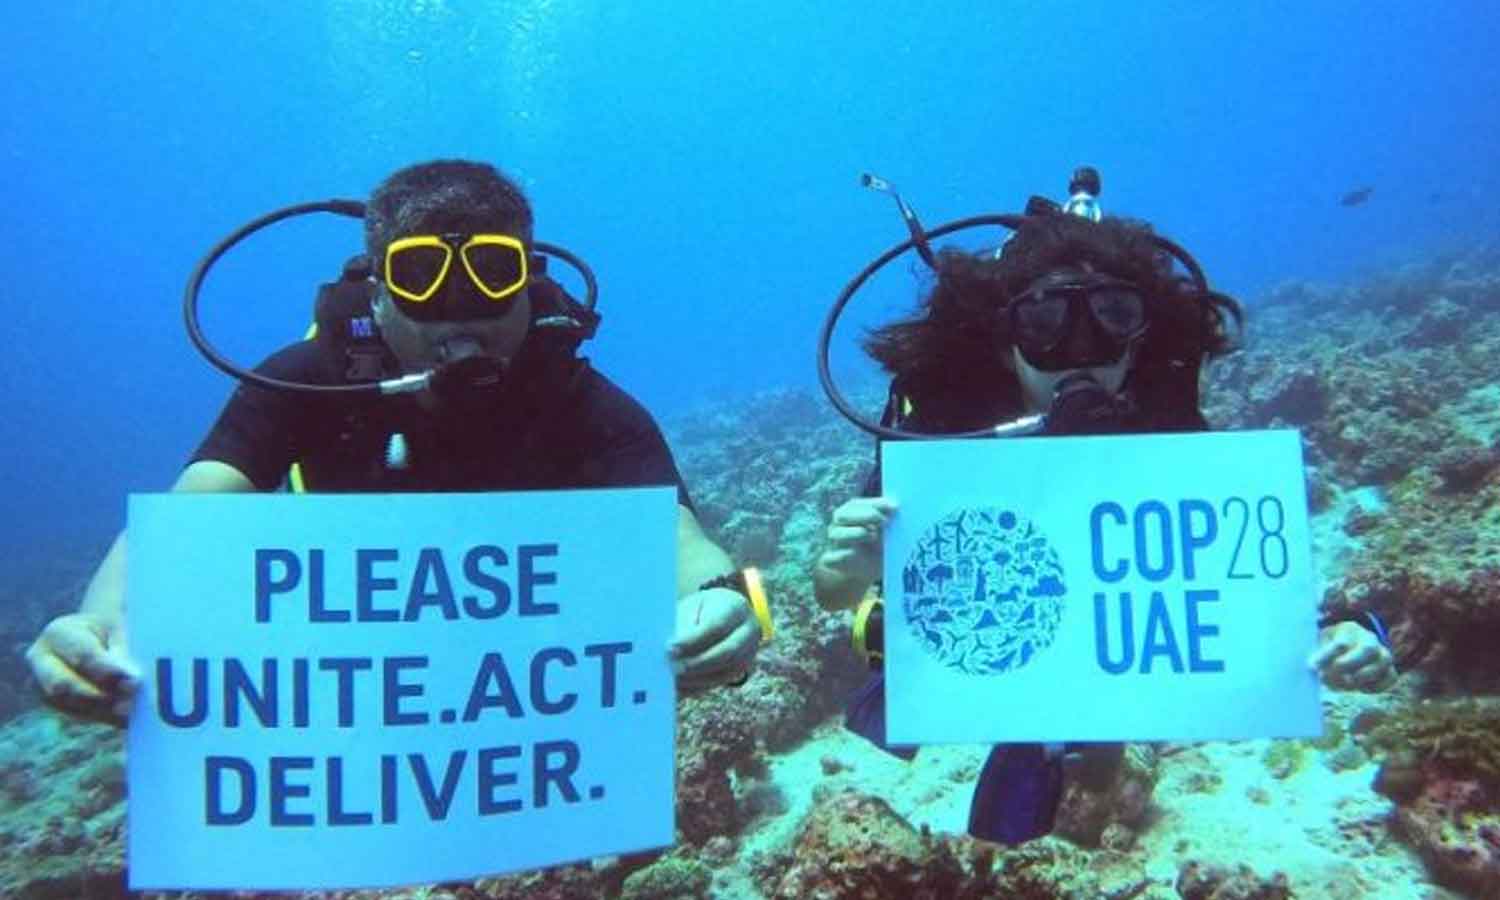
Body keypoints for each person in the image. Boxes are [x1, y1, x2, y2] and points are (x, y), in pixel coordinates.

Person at [27, 159, 764, 723]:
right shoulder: (306, 380)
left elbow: (677, 538)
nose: (458, 307)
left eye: (492, 271)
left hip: (518, 694)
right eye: (419, 275)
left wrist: (717, 604)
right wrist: (101, 618)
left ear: (528, 280)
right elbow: (192, 513)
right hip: (359, 685)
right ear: (375, 292)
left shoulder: (579, 399)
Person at [813, 179, 1396, 844]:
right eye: (1044, 325)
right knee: (1032, 734)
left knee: (1095, 772)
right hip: (999, 608)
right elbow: (834, 592)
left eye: (1112, 318)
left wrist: (1343, 630)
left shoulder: (1157, 415)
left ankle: (1067, 740)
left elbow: (1229, 575)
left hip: (1094, 621)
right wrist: (849, 565)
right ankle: (1042, 742)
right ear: (1007, 343)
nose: (1080, 352)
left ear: (1139, 335)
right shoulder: (951, 422)